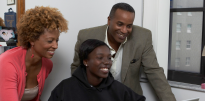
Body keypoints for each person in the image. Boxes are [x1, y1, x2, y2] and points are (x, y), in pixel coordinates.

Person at [71, 3, 176, 101]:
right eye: (120, 24)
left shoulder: (143, 37)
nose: (124, 30)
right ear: (109, 20)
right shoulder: (86, 36)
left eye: (129, 26)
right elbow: (76, 68)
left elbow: (154, 72)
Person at [0, 6, 68, 101]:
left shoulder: (47, 65)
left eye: (57, 40)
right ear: (32, 39)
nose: (56, 46)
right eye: (50, 41)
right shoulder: (7, 62)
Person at [49, 39, 146, 101]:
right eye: (100, 58)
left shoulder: (118, 89)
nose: (107, 62)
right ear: (86, 61)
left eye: (109, 58)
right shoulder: (65, 88)